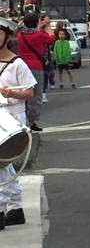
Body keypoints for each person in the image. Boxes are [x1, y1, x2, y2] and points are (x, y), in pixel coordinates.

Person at [0, 16, 36, 228]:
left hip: (12, 116)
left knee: (2, 162)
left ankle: (4, 209)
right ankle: (15, 207)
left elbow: (30, 92)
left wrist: (11, 92)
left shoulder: (17, 64)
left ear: (7, 37)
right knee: (4, 165)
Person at [16, 12, 54, 132]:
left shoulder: (20, 35)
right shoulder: (39, 35)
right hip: (35, 66)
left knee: (23, 94)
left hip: (21, 66)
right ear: (37, 22)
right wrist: (48, 27)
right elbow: (51, 39)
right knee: (35, 95)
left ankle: (24, 119)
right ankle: (31, 120)